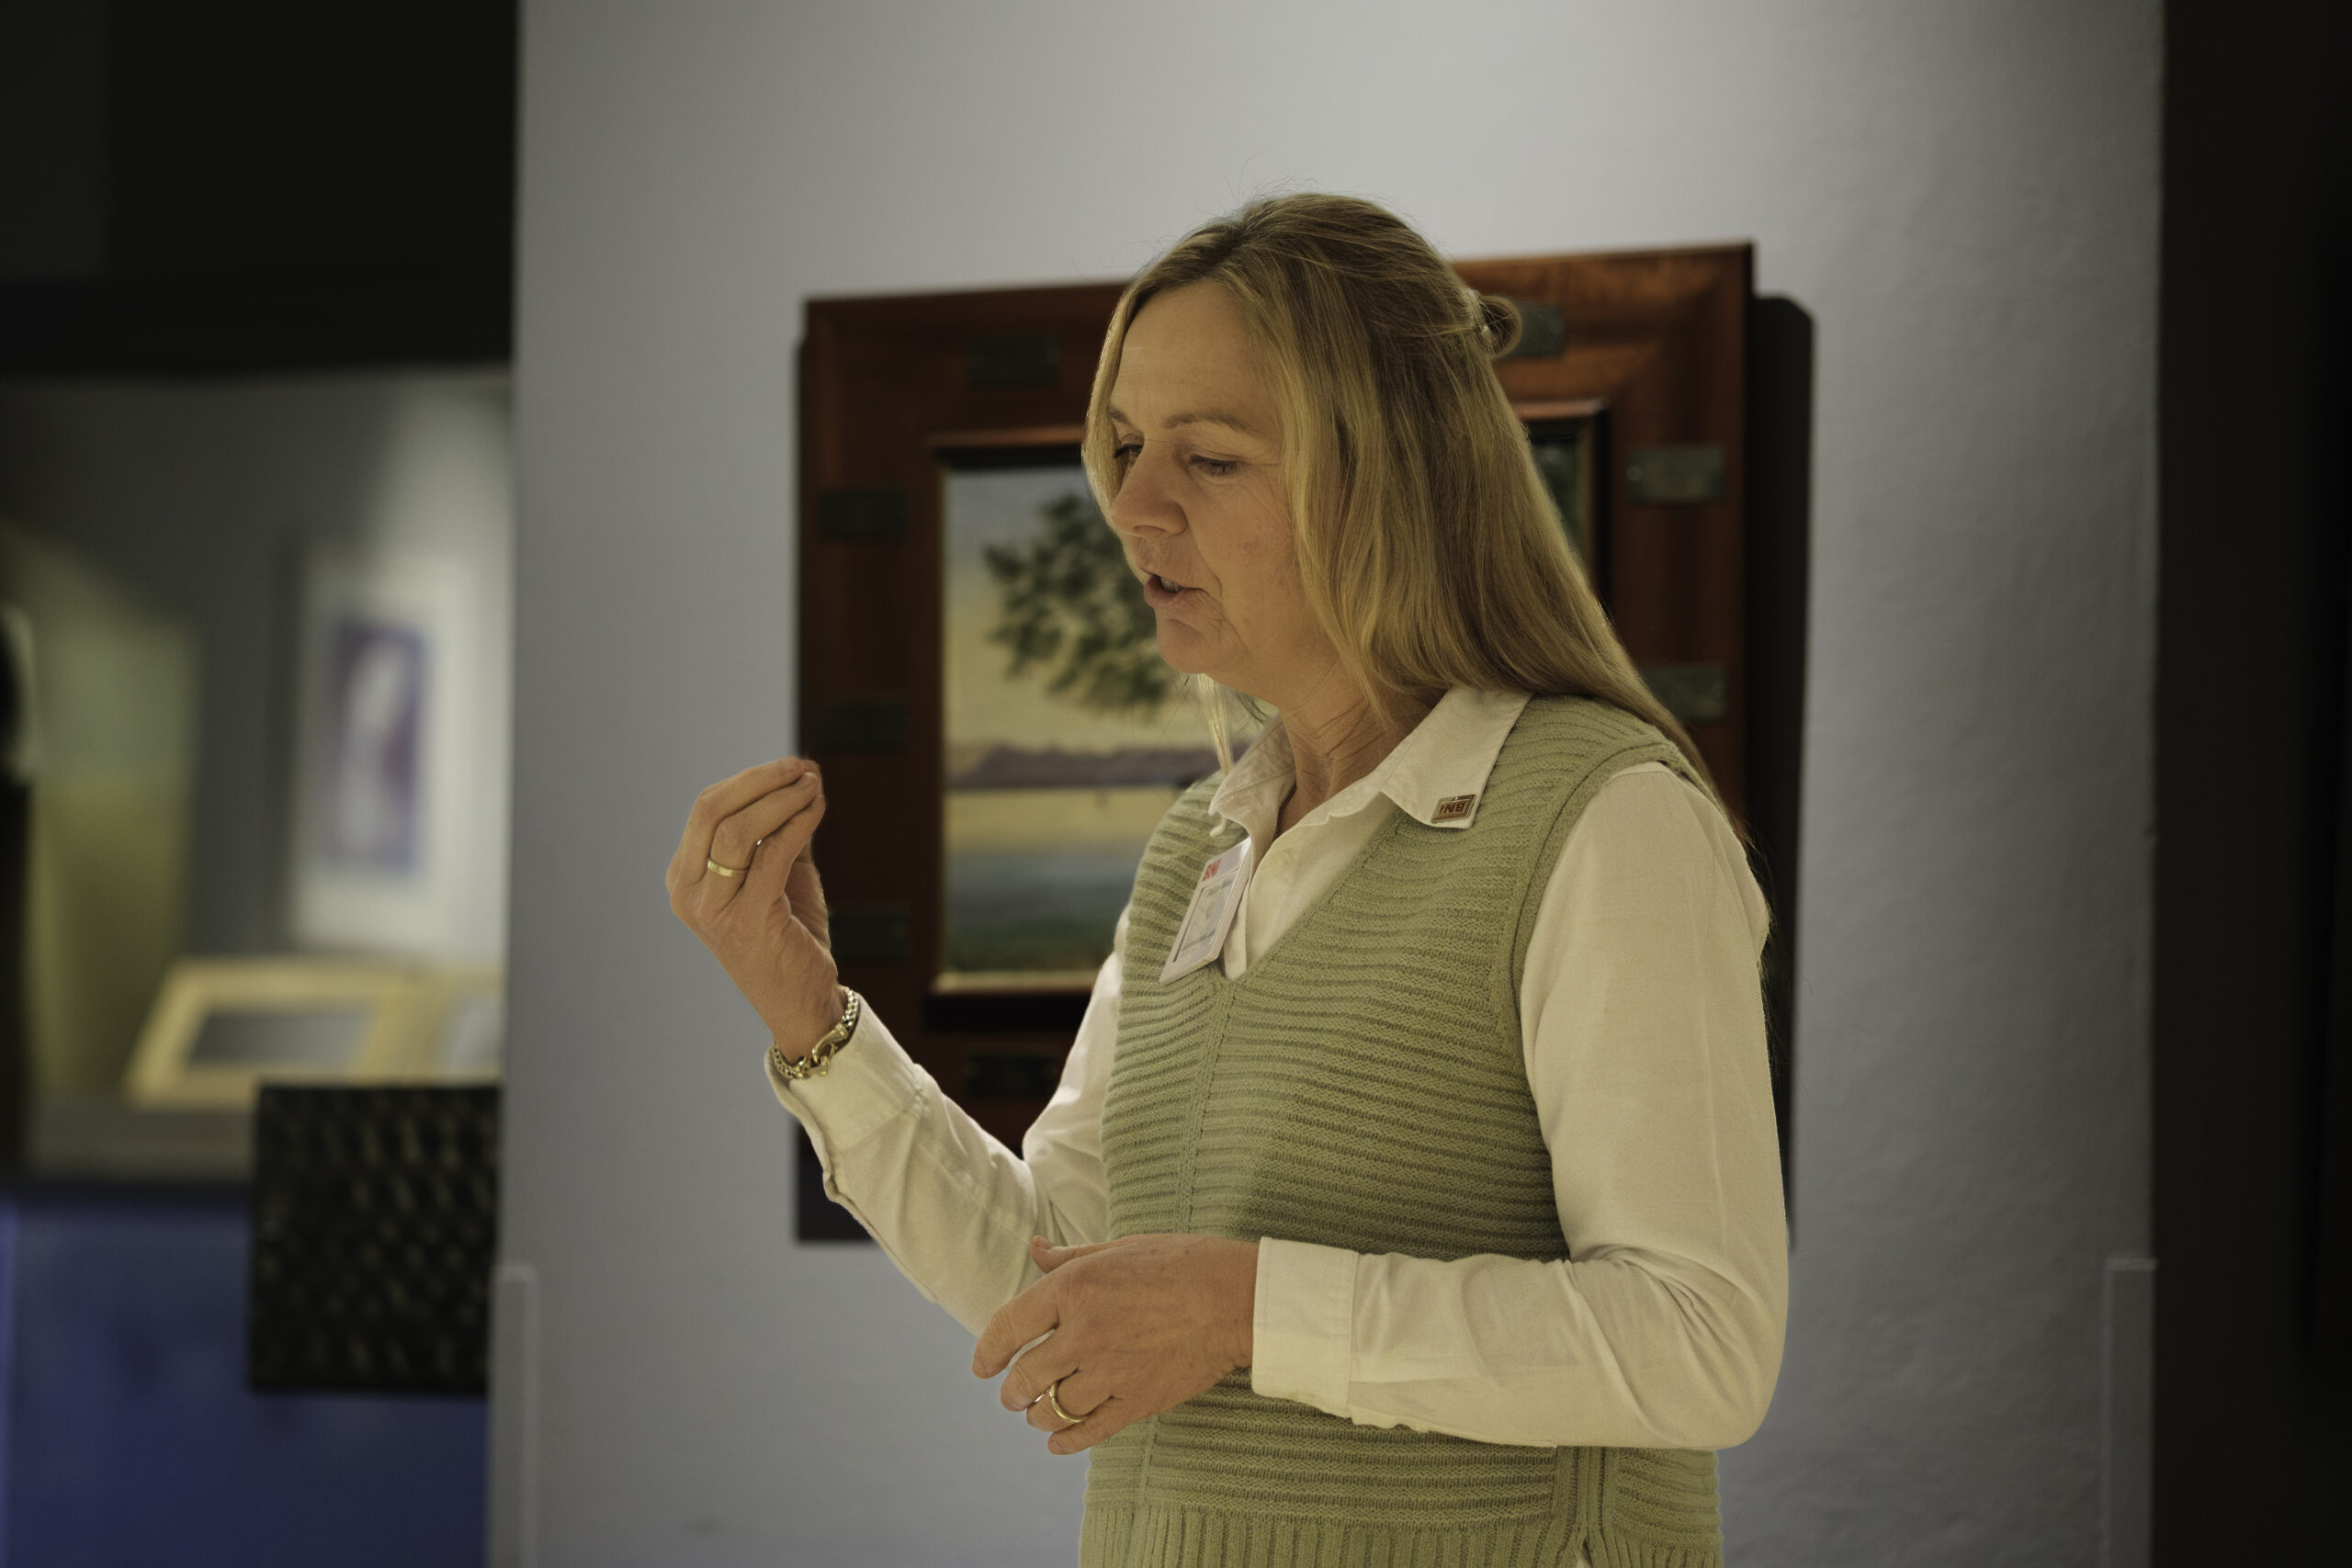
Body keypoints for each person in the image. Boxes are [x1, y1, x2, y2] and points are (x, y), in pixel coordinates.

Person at [669, 194, 1786, 1568]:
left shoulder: (1607, 820)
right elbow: (1056, 1269)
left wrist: (1247, 1310)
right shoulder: (1196, 851)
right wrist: (811, 1020)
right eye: (1126, 448)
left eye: (1207, 457)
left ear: (1391, 477)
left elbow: (1701, 1343)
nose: (1134, 507)